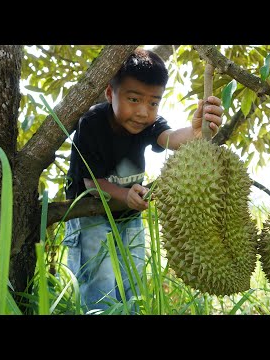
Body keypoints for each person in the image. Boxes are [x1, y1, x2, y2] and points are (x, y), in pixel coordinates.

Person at [62, 48, 223, 313]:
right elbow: (91, 182)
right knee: (98, 284)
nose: (143, 112)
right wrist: (125, 195)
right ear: (110, 93)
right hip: (90, 214)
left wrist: (196, 131)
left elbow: (171, 138)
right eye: (134, 99)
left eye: (153, 103)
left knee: (133, 283)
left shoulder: (149, 124)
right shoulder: (91, 123)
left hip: (128, 214)